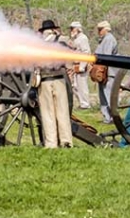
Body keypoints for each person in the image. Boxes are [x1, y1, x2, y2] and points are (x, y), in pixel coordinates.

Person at [36, 19, 73, 148]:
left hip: (45, 80)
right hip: (59, 79)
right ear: (53, 30)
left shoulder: (38, 45)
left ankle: (51, 143)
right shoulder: (61, 42)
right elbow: (69, 60)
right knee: (62, 112)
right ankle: (66, 141)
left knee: (47, 114)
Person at [95, 20, 119, 124]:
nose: (99, 32)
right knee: (103, 96)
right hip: (102, 71)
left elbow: (106, 55)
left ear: (106, 29)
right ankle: (107, 117)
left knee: (108, 95)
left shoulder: (109, 39)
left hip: (108, 71)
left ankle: (114, 117)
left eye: (100, 29)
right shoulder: (103, 39)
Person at [67, 21, 92, 110]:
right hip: (75, 64)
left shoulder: (83, 38)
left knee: (82, 86)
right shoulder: (75, 39)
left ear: (77, 29)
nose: (71, 30)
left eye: (72, 28)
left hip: (81, 65)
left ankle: (85, 104)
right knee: (75, 86)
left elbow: (86, 52)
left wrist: (82, 65)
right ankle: (82, 102)